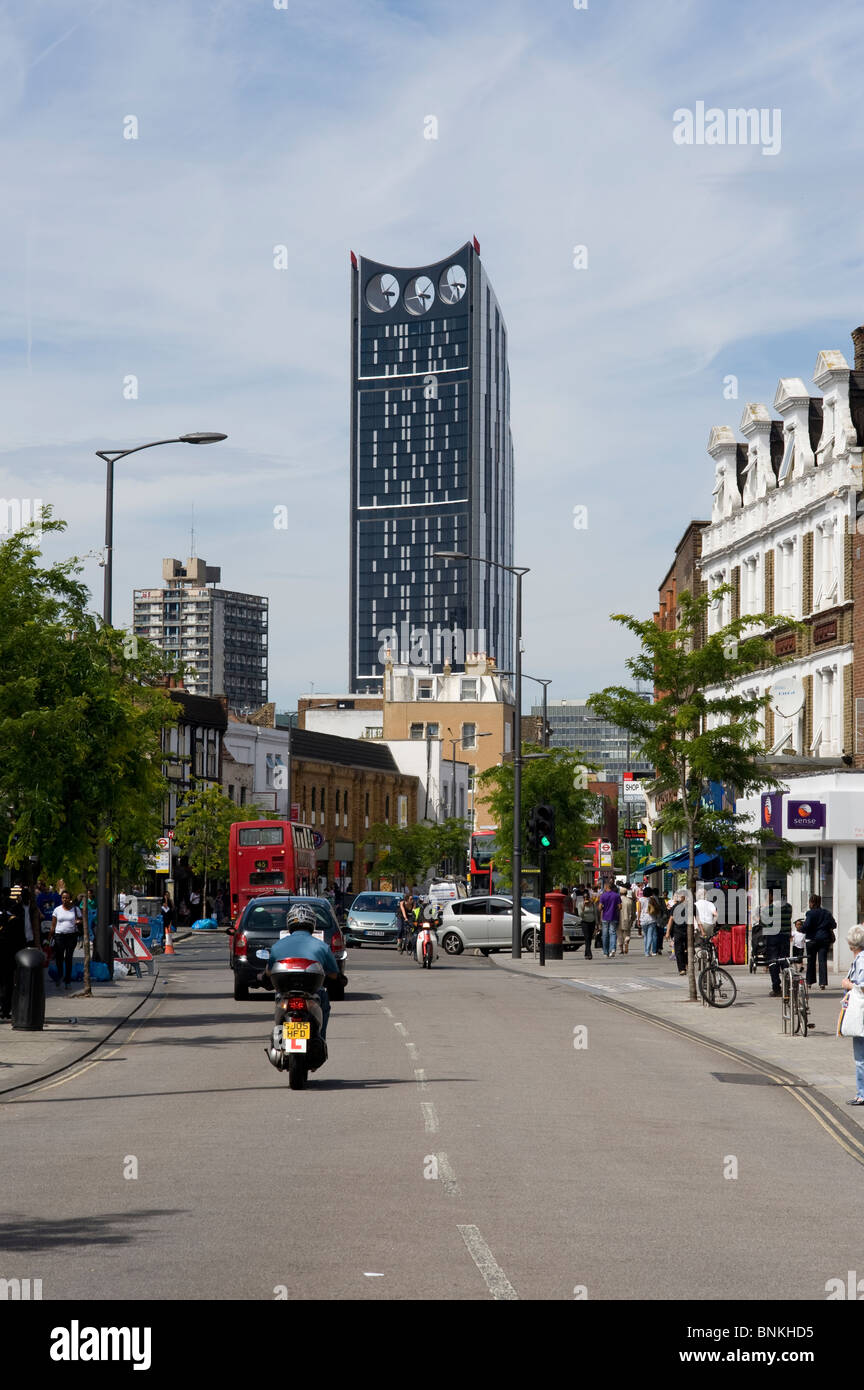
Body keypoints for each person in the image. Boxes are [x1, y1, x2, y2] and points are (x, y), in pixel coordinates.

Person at [265, 902, 339, 1041]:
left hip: (284, 995)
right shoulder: (322, 946)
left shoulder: (277, 946)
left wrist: (261, 977)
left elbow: (269, 971)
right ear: (313, 923)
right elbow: (334, 974)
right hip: (314, 994)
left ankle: (281, 1038)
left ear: (289, 923)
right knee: (324, 1004)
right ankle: (320, 1038)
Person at [841, 925, 864, 1106]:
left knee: (860, 1057)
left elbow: (862, 986)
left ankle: (862, 1094)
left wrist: (849, 985)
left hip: (861, 1014)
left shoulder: (861, 959)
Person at [0, 889, 27, 1020]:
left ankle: (5, 1008)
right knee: (7, 981)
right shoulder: (16, 912)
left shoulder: (14, 912)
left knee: (7, 981)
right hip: (10, 952)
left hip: (9, 952)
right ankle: (5, 1008)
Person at [761, 891, 792, 997]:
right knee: (785, 961)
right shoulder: (788, 908)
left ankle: (776, 988)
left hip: (772, 937)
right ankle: (788, 986)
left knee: (773, 962)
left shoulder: (768, 909)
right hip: (785, 937)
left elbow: (764, 922)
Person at [802, 893, 836, 992]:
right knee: (822, 961)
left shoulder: (810, 913)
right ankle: (822, 983)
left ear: (812, 903)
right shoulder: (827, 913)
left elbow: (807, 926)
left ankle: (809, 982)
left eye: (809, 902)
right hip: (824, 940)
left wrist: (801, 929)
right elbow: (834, 925)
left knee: (811, 962)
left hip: (812, 940)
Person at [50, 890, 79, 989]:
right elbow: (53, 926)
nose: (65, 899)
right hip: (59, 936)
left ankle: (68, 981)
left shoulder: (75, 909)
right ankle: (60, 975)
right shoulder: (57, 910)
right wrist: (48, 938)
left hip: (71, 936)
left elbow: (81, 920)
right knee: (59, 958)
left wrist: (79, 921)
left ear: (70, 899)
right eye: (63, 898)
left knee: (69, 958)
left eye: (67, 898)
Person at [666, 890, 689, 975]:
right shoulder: (676, 906)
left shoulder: (690, 906)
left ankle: (684, 966)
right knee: (681, 950)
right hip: (680, 931)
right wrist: (668, 932)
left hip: (683, 931)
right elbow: (671, 919)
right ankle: (683, 967)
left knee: (683, 950)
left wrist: (668, 932)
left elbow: (696, 918)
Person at [598, 880, 621, 958]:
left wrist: (603, 907)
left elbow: (600, 907)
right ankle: (613, 949)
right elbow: (620, 907)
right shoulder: (616, 896)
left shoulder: (603, 896)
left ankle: (605, 952)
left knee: (605, 935)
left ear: (606, 887)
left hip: (605, 917)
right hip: (614, 916)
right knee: (613, 933)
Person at [578, 888, 597, 959]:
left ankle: (586, 953)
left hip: (592, 922)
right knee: (586, 938)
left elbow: (595, 914)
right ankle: (589, 953)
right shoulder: (580, 904)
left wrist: (597, 924)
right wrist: (583, 906)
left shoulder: (593, 904)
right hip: (584, 922)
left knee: (590, 938)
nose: (586, 898)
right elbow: (580, 915)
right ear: (583, 898)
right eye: (584, 897)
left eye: (587, 897)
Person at [639, 890, 658, 956]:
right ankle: (647, 952)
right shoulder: (652, 899)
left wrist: (638, 919)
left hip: (643, 919)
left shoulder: (640, 900)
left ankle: (646, 950)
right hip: (652, 919)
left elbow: (639, 910)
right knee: (650, 936)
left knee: (645, 936)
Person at [619, 888, 635, 954]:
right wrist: (633, 919)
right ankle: (626, 944)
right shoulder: (629, 901)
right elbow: (633, 911)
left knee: (619, 935)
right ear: (626, 893)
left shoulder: (618, 900)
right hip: (628, 919)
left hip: (619, 919)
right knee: (627, 934)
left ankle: (621, 950)